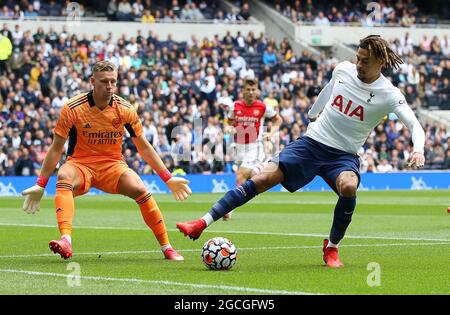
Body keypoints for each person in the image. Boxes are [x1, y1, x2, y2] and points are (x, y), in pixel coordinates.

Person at [176, 35, 426, 267]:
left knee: (349, 186)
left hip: (342, 156)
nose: (358, 64)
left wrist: (418, 149)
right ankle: (201, 223)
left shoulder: (390, 95)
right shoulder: (343, 70)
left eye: (365, 61)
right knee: (261, 178)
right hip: (311, 143)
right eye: (358, 58)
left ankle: (332, 247)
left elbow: (414, 124)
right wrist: (312, 112)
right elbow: (329, 89)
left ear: (381, 62)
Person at [21, 60, 192, 261]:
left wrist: (167, 177)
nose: (109, 86)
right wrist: (41, 183)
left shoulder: (125, 109)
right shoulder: (72, 108)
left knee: (140, 188)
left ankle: (167, 247)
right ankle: (66, 239)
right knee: (64, 174)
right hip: (80, 164)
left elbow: (144, 146)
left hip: (113, 165)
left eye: (113, 81)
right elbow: (56, 147)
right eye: (104, 81)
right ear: (93, 81)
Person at [223, 77, 282, 220]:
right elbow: (228, 123)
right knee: (251, 177)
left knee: (240, 175)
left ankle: (229, 208)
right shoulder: (235, 106)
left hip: (255, 146)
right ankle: (262, 167)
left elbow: (278, 120)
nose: (250, 92)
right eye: (248, 89)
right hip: (240, 147)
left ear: (257, 92)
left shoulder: (262, 107)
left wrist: (271, 132)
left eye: (253, 90)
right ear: (242, 91)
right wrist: (229, 129)